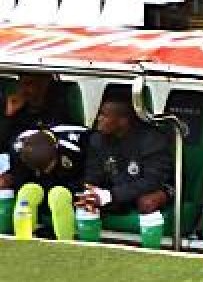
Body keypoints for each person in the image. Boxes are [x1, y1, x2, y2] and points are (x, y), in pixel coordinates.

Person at [75, 94, 173, 249]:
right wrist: (92, 191)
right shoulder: (97, 140)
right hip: (117, 187)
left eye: (104, 115)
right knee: (87, 199)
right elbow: (92, 176)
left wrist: (111, 195)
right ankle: (88, 247)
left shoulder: (152, 140)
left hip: (157, 187)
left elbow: (152, 181)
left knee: (147, 202)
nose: (98, 119)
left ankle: (152, 250)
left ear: (123, 120)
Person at [4, 122, 89, 241]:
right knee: (27, 191)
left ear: (56, 151)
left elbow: (90, 175)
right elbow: (20, 179)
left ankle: (67, 241)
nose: (42, 172)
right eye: (37, 169)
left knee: (58, 194)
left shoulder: (77, 142)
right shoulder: (17, 148)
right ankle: (25, 238)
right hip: (39, 189)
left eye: (45, 168)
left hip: (70, 190)